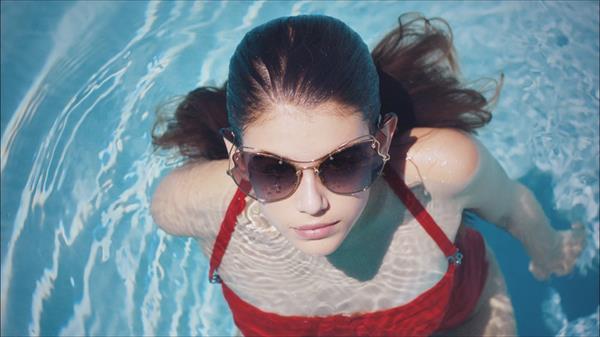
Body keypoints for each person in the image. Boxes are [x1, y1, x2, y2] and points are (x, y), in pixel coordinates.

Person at [150, 13, 586, 336]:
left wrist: (549, 251)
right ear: (235, 157)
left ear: (383, 137)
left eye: (343, 162)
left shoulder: (441, 171)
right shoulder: (188, 206)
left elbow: (514, 207)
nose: (312, 203)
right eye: (273, 169)